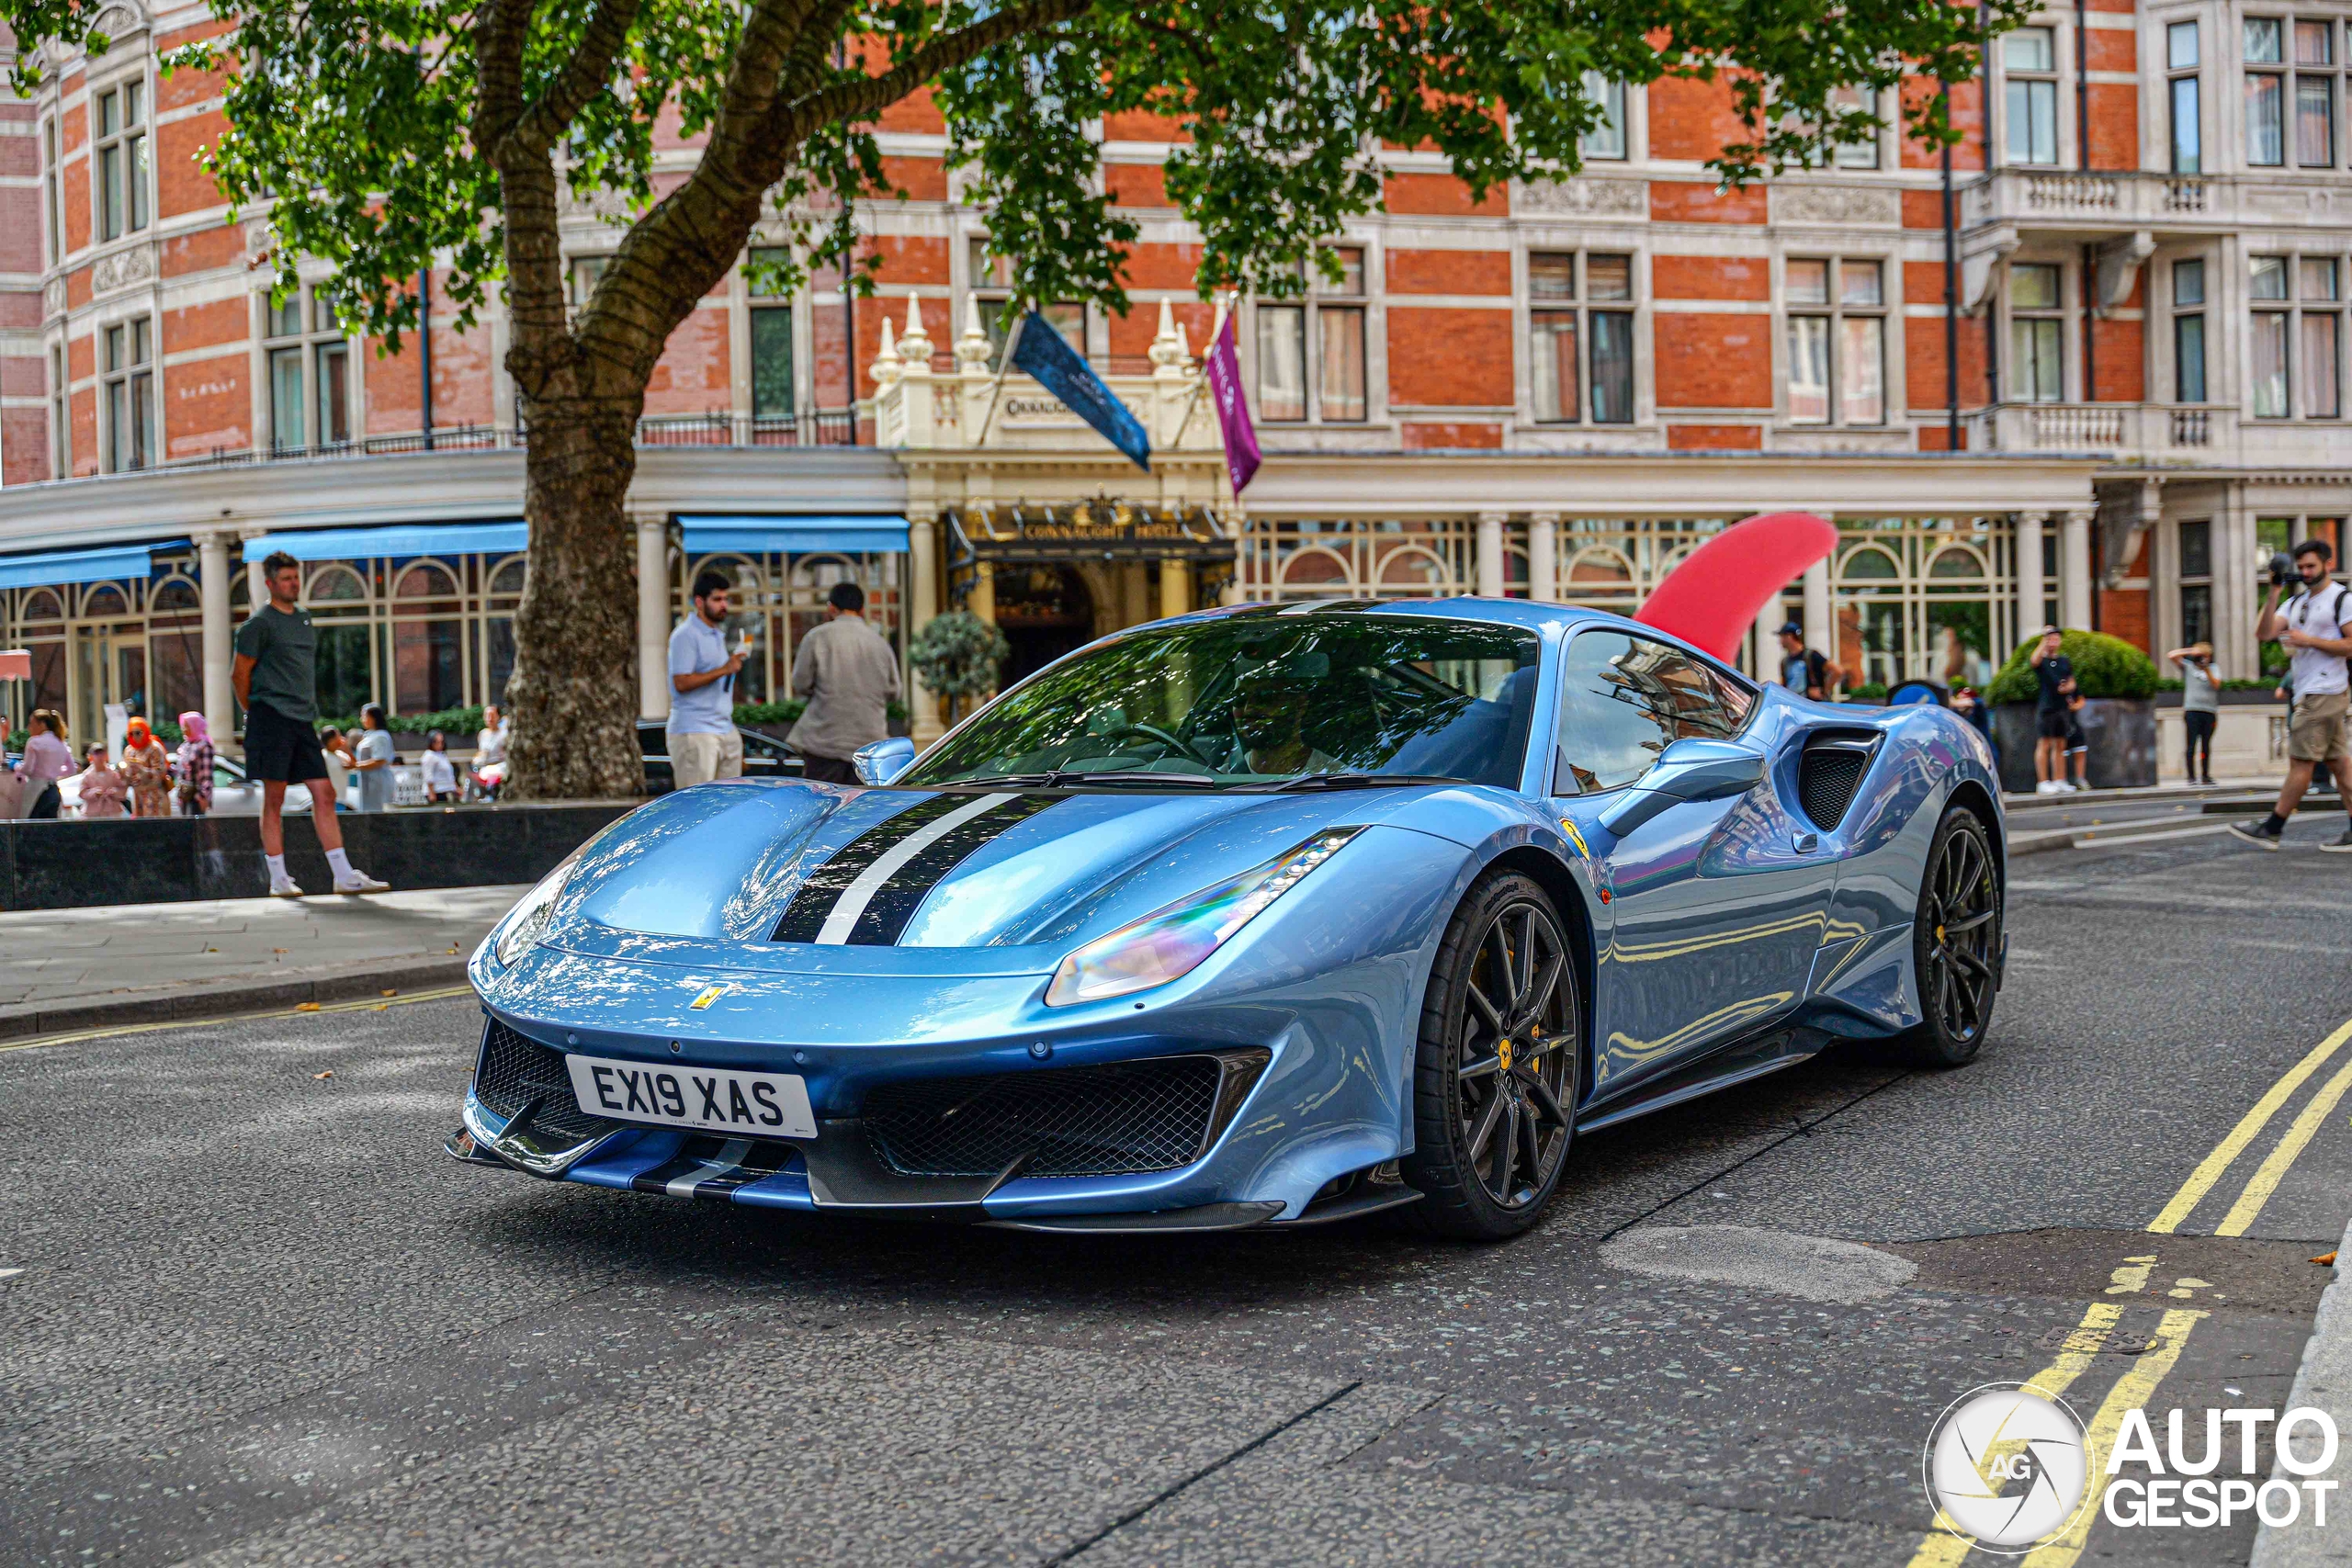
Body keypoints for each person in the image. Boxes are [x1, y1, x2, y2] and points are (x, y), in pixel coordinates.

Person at [232, 550, 389, 894]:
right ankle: (278, 879)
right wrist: (257, 711)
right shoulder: (258, 625)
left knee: (325, 791)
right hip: (271, 718)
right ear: (270, 583)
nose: (294, 584)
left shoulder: (303, 618)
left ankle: (343, 876)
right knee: (274, 797)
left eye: (296, 577)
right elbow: (239, 673)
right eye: (286, 579)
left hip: (303, 720)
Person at [2232, 539, 2352, 850]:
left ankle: (2272, 827)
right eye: (2301, 568)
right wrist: (2273, 591)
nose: (2306, 572)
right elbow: (2264, 633)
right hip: (2308, 689)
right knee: (2339, 764)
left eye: (2311, 566)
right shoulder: (2297, 602)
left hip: (2324, 690)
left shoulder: (2342, 599)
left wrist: (2309, 640)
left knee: (2301, 762)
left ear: (2328, 562)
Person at [789, 581, 902, 784]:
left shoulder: (816, 637)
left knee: (823, 807)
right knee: (862, 810)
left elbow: (800, 683)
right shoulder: (879, 643)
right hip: (870, 744)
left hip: (825, 742)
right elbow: (895, 690)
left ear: (831, 607)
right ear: (862, 609)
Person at [667, 570, 746, 789]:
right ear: (699, 602)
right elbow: (681, 683)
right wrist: (724, 669)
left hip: (724, 728)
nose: (724, 605)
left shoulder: (715, 634)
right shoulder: (685, 635)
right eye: (717, 599)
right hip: (695, 730)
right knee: (696, 810)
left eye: (726, 599)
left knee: (729, 805)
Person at [2030, 626, 2076, 795]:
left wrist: (2068, 688)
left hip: (2062, 707)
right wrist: (2043, 638)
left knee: (2061, 744)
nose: (2053, 641)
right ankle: (2042, 781)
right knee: (2045, 743)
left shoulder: (2064, 660)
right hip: (2046, 707)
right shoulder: (2042, 661)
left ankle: (2060, 779)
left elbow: (2072, 681)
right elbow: (2033, 660)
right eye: (2050, 639)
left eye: (2056, 638)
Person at [2166, 641, 2220, 784]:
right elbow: (2171, 655)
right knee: (2191, 745)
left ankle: (2205, 775)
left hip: (2209, 711)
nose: (2203, 659)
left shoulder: (2214, 669)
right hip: (2192, 710)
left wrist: (2206, 670)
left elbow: (2216, 684)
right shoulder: (2189, 667)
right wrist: (2192, 651)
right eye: (2201, 656)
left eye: (2205, 656)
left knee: (2206, 745)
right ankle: (2191, 776)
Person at [15, 708, 74, 819]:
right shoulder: (61, 743)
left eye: (32, 724)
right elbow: (72, 769)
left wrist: (16, 767)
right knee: (50, 827)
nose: (29, 728)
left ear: (42, 724)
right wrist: (55, 770)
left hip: (36, 789)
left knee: (30, 825)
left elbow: (28, 769)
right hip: (54, 789)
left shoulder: (34, 742)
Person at [120, 716, 172, 818]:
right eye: (131, 734)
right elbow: (126, 775)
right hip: (138, 796)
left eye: (138, 733)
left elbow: (160, 773)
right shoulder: (129, 750)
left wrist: (142, 770)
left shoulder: (154, 748)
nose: (135, 736)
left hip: (155, 796)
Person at [352, 704, 398, 813]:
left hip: (377, 781)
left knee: (378, 811)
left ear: (373, 718)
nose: (362, 719)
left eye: (364, 716)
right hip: (367, 781)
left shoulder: (380, 736)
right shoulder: (370, 735)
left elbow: (380, 760)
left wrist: (356, 766)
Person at [1775, 622, 1831, 702]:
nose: (1780, 641)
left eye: (1782, 637)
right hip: (1794, 704)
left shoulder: (1811, 655)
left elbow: (1836, 670)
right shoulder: (1785, 662)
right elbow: (1784, 684)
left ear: (1789, 637)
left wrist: (1824, 691)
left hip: (1812, 704)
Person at [174, 710, 215, 817]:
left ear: (195, 726)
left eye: (187, 726)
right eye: (183, 726)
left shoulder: (204, 746)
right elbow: (181, 771)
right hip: (184, 795)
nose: (184, 729)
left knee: (197, 829)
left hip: (197, 796)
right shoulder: (185, 746)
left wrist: (203, 796)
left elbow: (207, 774)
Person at [75, 742, 127, 819]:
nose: (100, 757)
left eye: (102, 754)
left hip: (112, 811)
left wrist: (114, 792)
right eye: (96, 754)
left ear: (106, 756)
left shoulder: (113, 773)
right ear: (90, 757)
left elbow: (122, 789)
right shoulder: (87, 775)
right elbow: (82, 793)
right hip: (92, 812)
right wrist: (93, 793)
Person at [470, 704, 508, 799]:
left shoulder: (504, 734)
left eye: (492, 715)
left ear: (498, 717)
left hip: (500, 767)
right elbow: (481, 752)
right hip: (485, 767)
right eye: (487, 716)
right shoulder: (483, 734)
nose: (489, 719)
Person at [317, 723, 354, 810]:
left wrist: (347, 749)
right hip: (326, 799)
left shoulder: (342, 755)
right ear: (330, 740)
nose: (340, 739)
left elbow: (353, 765)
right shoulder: (322, 756)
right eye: (337, 737)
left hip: (341, 799)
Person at [421, 729, 458, 803]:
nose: (439, 745)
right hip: (435, 791)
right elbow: (428, 776)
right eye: (436, 742)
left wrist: (455, 788)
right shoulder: (429, 756)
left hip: (444, 790)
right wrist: (431, 793)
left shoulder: (442, 755)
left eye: (441, 742)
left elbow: (448, 775)